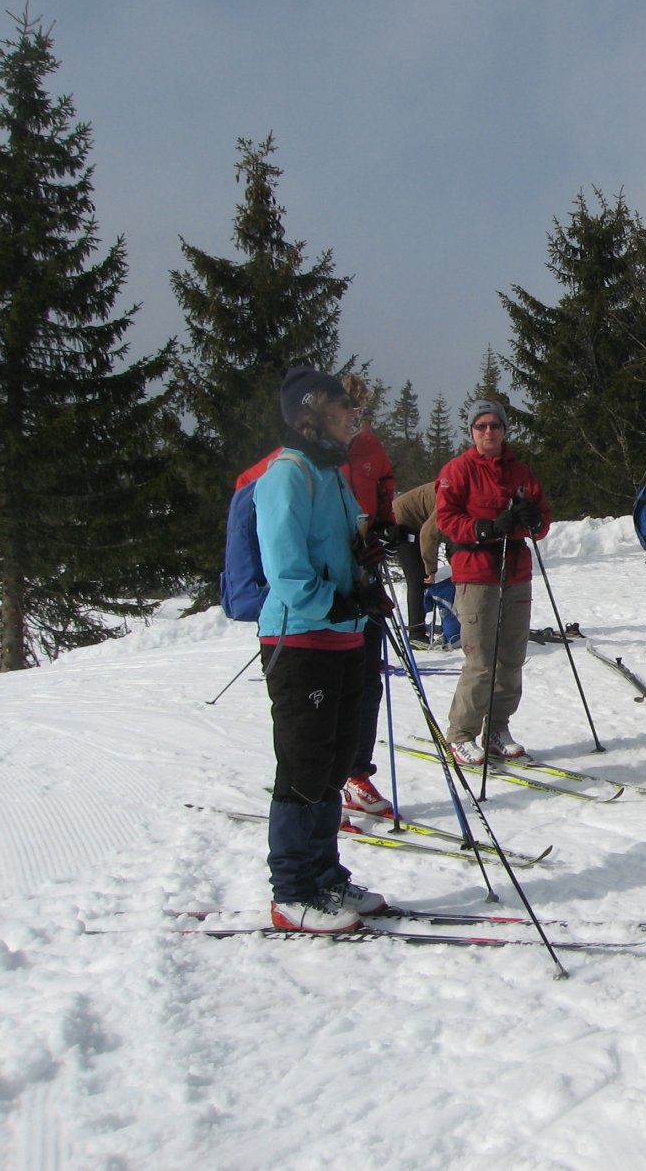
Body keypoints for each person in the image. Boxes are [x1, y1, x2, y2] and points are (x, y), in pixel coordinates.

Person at [255, 366, 393, 932]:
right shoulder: (287, 475)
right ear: (313, 414)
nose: (352, 418)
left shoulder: (330, 470)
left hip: (340, 634)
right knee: (305, 763)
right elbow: (286, 571)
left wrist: (367, 548)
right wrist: (334, 604)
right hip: (301, 636)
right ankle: (291, 890)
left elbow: (338, 543)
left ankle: (324, 874)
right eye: (342, 410)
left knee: (334, 760)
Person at [434, 399, 550, 766]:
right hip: (476, 571)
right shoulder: (458, 469)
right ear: (471, 431)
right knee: (481, 660)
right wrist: (484, 528)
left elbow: (543, 520)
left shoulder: (521, 472)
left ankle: (498, 727)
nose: (489, 432)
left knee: (512, 657)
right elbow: (446, 519)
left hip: (515, 571)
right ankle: (461, 733)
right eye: (481, 426)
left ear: (504, 430)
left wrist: (533, 519)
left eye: (495, 426)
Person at [337, 375, 397, 818]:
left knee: (368, 679)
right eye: (348, 410)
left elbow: (384, 498)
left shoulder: (371, 450)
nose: (355, 420)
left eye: (361, 412)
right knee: (331, 680)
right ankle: (325, 778)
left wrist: (385, 528)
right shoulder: (321, 454)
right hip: (333, 578)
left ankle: (356, 772)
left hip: (368, 574)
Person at [389, 479, 445, 645]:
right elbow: (428, 534)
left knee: (422, 579)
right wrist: (431, 568)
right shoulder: (449, 496)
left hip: (414, 522)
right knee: (418, 579)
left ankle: (422, 626)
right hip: (401, 523)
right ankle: (416, 633)